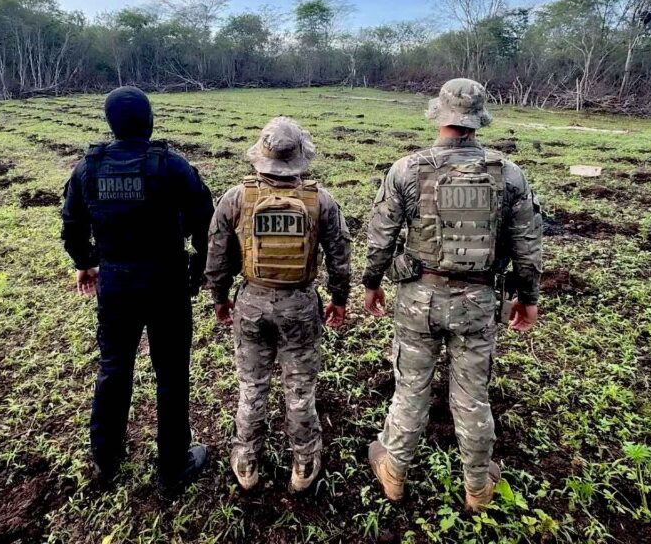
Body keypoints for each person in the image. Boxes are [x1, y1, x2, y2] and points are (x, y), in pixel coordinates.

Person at [361, 78, 543, 511]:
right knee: (473, 395)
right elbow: (527, 245)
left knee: (410, 388)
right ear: (478, 119)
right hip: (479, 303)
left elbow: (380, 238)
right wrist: (528, 297)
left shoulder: (406, 169)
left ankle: (395, 472)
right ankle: (478, 485)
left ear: (439, 115)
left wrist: (370, 285)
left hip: (418, 301)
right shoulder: (508, 173)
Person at [61, 86, 214, 489]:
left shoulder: (88, 168)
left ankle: (106, 458)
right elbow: (206, 223)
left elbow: (72, 226)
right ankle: (173, 466)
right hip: (166, 283)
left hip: (116, 282)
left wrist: (86, 263)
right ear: (149, 122)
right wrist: (198, 269)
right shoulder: (172, 166)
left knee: (114, 368)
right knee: (171, 372)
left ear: (110, 125)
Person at [206, 117, 352, 493]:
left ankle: (246, 459)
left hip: (251, 302)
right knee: (300, 389)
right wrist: (338, 299)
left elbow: (217, 255)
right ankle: (304, 463)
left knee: (252, 386)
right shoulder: (320, 200)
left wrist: (219, 298)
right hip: (301, 305)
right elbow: (340, 255)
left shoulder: (236, 198)